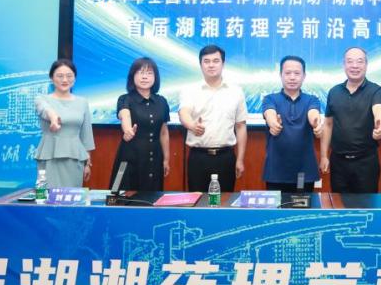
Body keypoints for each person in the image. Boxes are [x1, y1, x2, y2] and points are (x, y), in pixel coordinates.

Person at [179, 44, 248, 193]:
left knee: (224, 202)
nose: (211, 65)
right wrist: (192, 125)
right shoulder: (190, 90)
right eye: (207, 61)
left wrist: (240, 159)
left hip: (226, 157)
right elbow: (183, 112)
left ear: (223, 63)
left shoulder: (236, 91)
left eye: (216, 61)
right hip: (198, 157)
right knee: (198, 201)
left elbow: (241, 126)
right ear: (200, 64)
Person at [320, 47, 381, 193]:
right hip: (338, 162)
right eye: (350, 61)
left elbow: (379, 109)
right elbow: (328, 124)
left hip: (366, 163)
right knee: (339, 204)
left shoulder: (375, 90)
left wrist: (380, 126)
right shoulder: (334, 92)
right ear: (344, 65)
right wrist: (324, 156)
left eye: (359, 61)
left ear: (366, 65)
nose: (354, 66)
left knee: (366, 204)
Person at [261, 56, 325, 192]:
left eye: (297, 73)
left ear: (304, 76)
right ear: (281, 75)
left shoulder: (312, 99)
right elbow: (269, 113)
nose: (292, 77)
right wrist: (273, 123)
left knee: (303, 206)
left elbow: (313, 114)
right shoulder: (270, 99)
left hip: (304, 171)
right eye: (288, 73)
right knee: (276, 206)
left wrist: (316, 124)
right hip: (276, 171)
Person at [110, 57, 170, 192]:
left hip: (155, 159)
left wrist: (166, 159)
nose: (144, 77)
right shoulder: (125, 99)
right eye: (140, 72)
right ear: (132, 76)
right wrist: (127, 130)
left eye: (149, 73)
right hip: (130, 158)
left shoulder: (162, 101)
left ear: (155, 77)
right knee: (123, 196)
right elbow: (124, 115)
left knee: (152, 197)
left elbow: (163, 132)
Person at [34, 59, 95, 187]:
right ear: (51, 78)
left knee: (72, 196)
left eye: (69, 76)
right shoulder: (41, 99)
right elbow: (45, 110)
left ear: (75, 78)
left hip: (75, 158)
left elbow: (86, 135)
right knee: (45, 195)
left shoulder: (82, 102)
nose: (65, 80)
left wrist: (87, 163)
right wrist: (53, 117)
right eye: (60, 76)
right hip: (48, 157)